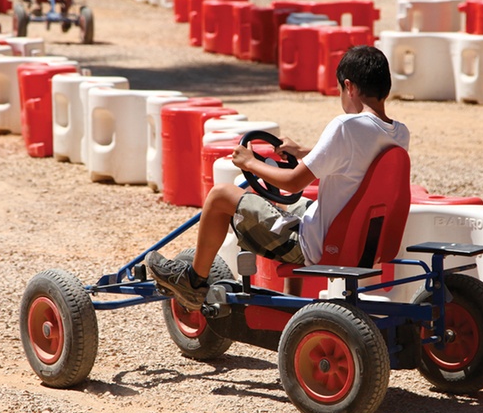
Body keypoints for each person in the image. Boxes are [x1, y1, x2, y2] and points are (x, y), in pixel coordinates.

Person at [145, 46, 411, 311]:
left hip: (322, 245)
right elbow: (358, 159)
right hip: (360, 238)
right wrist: (304, 151)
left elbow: (293, 182)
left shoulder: (345, 125)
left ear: (349, 87)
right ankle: (291, 303)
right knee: (286, 205)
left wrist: (250, 163)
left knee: (221, 196)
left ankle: (193, 282)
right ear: (385, 87)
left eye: (340, 91)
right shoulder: (398, 133)